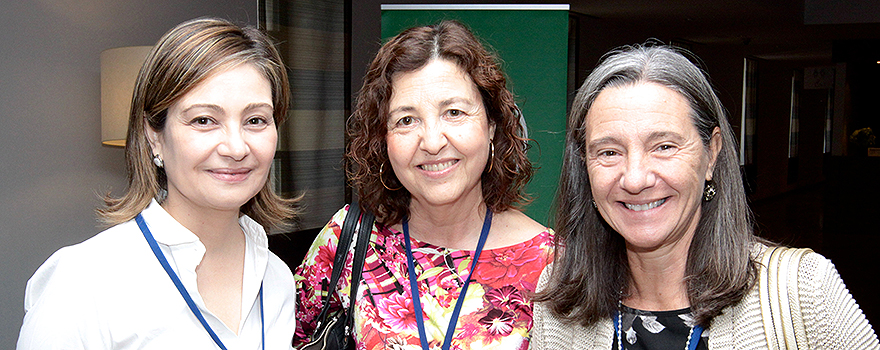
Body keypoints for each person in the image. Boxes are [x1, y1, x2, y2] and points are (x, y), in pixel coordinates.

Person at [529, 44, 879, 349]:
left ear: (711, 154)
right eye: (608, 152)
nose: (635, 179)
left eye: (664, 146)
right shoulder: (561, 300)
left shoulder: (803, 290)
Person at [17, 17, 299, 349]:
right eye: (204, 120)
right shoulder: (82, 281)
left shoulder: (277, 278)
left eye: (255, 120)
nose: (236, 148)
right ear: (155, 137)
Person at [292, 20, 554, 350]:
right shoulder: (346, 240)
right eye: (406, 120)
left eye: (454, 112)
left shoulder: (550, 264)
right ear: (382, 138)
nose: (431, 141)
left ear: (491, 124)